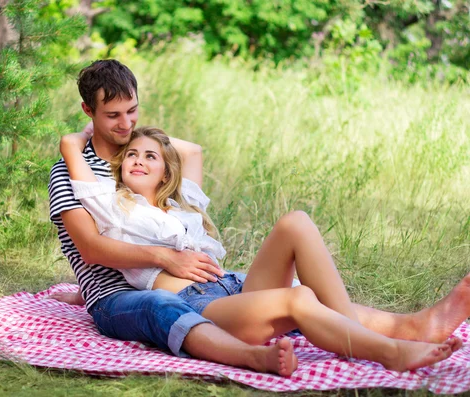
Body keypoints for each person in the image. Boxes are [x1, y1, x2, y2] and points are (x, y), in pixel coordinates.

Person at [49, 59, 469, 376]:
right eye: (113, 116)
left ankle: (408, 328)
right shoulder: (90, 182)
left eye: (133, 112)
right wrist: (79, 143)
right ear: (88, 110)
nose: (126, 125)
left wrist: (142, 139)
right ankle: (383, 349)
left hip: (219, 284)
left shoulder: (148, 167)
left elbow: (189, 152)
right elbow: (92, 247)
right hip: (160, 294)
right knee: (297, 298)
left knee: (296, 223)